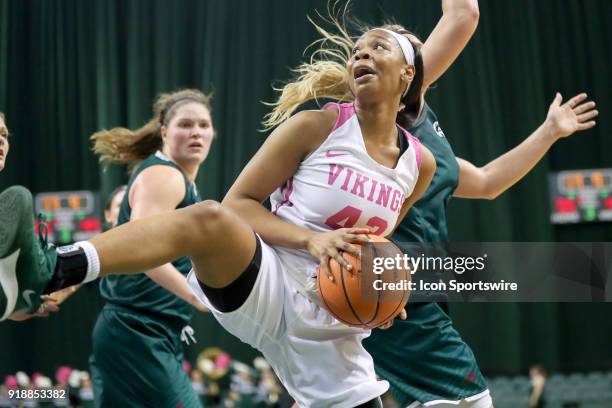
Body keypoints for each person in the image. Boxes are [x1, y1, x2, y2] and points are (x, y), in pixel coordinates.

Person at [0, 17, 437, 408]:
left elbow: (376, 246)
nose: (361, 53)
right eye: (356, 49)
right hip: (267, 284)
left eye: (377, 47)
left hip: (330, 322)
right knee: (210, 218)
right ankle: (51, 268)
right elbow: (237, 205)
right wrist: (310, 239)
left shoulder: (419, 165)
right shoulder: (318, 125)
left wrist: (385, 289)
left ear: (407, 73)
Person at [356, 3, 597, 408]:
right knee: (470, 402)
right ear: (407, 68)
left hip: (416, 285)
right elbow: (463, 14)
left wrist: (549, 131)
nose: (427, 46)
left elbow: (486, 182)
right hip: (391, 284)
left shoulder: (424, 127)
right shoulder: (389, 112)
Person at [87, 89, 213, 407]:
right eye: (186, 124)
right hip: (137, 331)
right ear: (164, 132)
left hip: (143, 331)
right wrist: (195, 295)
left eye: (203, 124)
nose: (196, 132)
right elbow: (144, 253)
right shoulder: (165, 177)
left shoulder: (176, 178)